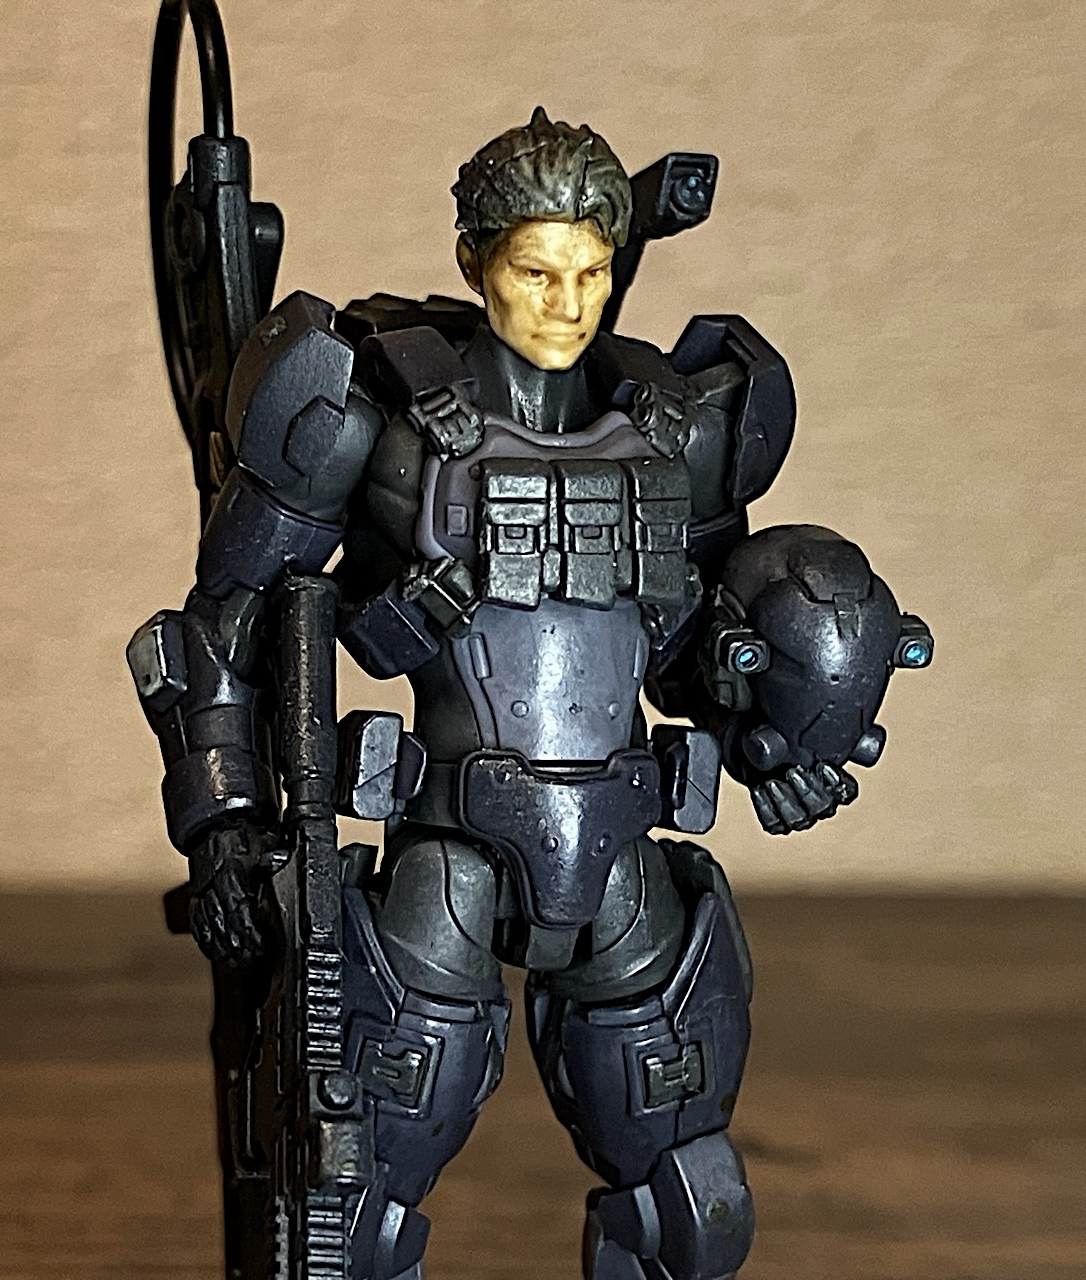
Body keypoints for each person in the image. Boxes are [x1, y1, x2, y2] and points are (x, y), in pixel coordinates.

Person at [130, 107, 927, 1280]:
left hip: (623, 860)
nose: (568, 303)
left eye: (593, 271)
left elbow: (686, 641)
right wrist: (226, 827)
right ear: (475, 259)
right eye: (535, 271)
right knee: (351, 1212)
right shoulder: (371, 421)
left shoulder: (675, 430)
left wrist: (775, 733)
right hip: (445, 857)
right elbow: (220, 628)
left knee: (692, 1206)